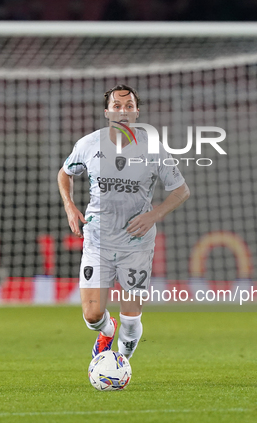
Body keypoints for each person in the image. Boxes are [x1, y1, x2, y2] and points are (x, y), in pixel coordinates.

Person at [57, 84, 190, 360]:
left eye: (129, 106)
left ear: (136, 112)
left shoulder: (153, 148)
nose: (123, 111)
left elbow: (181, 190)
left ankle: (120, 362)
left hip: (136, 244)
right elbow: (64, 173)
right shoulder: (89, 144)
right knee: (92, 316)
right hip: (98, 240)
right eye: (117, 106)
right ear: (107, 112)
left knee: (131, 319)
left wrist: (154, 215)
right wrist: (69, 205)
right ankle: (107, 330)